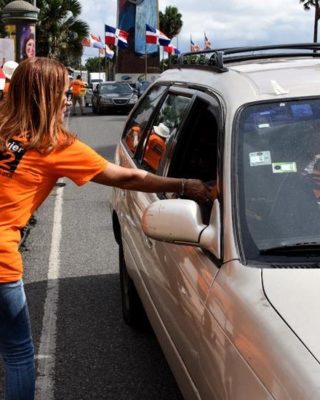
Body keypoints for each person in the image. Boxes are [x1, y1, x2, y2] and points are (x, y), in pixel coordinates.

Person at [0, 57, 211, 400]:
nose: (70, 98)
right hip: (1, 264)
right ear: (45, 96)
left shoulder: (3, 130)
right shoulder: (53, 145)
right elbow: (127, 176)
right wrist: (186, 186)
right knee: (19, 353)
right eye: (64, 92)